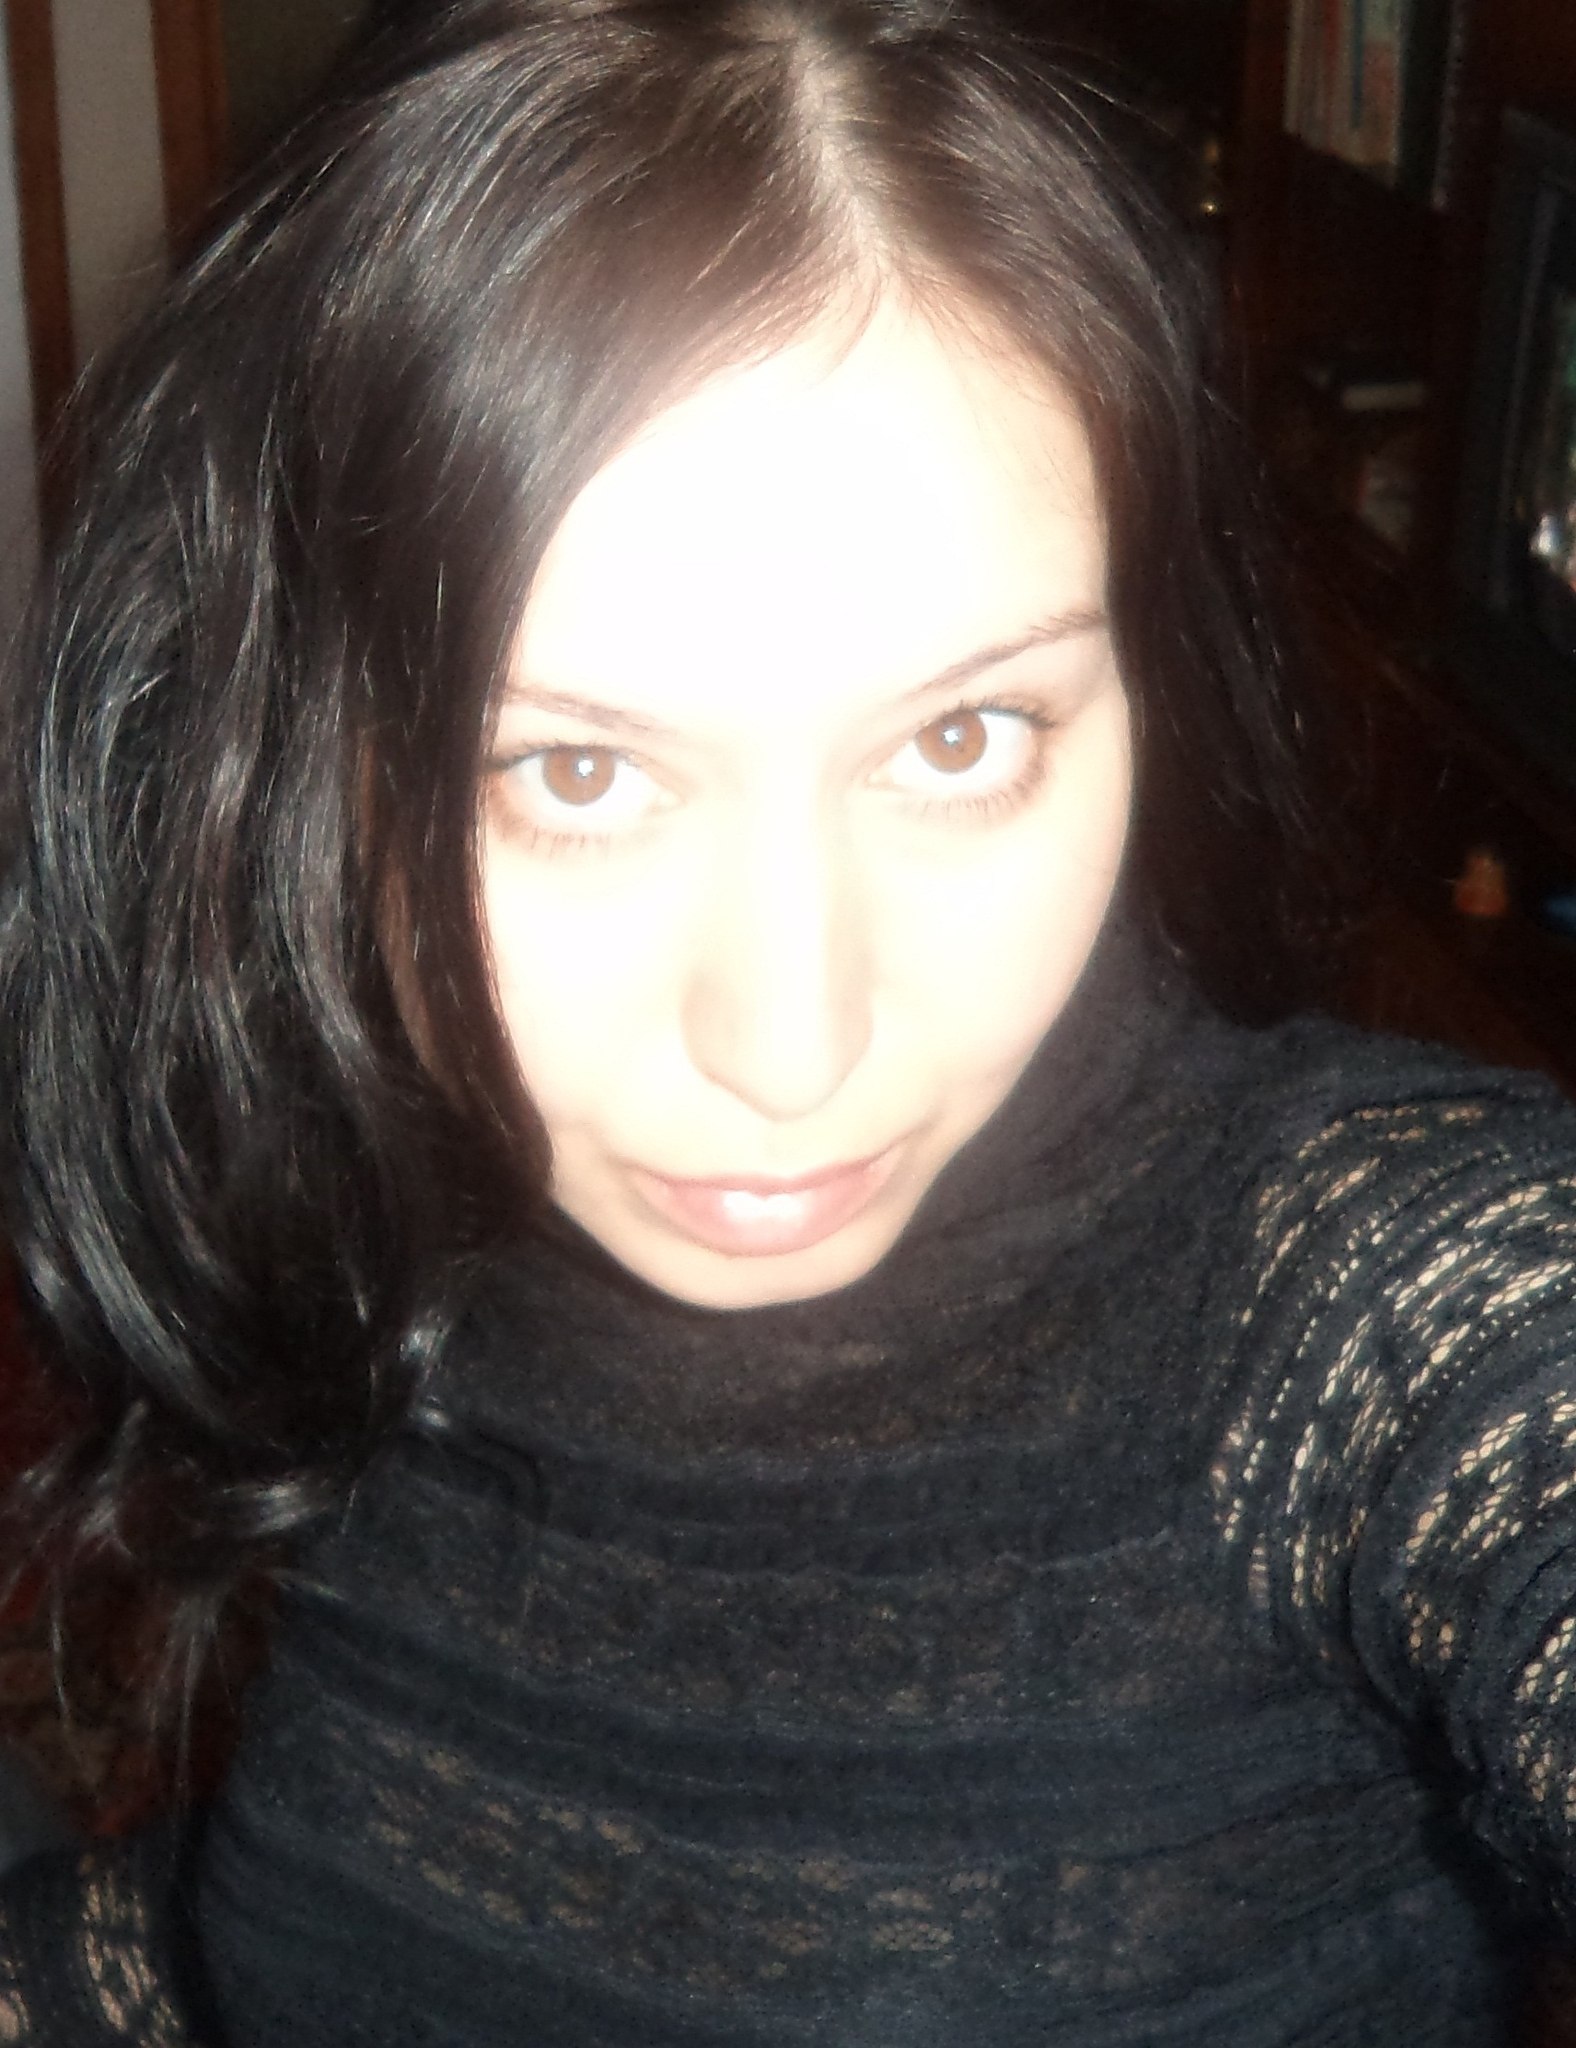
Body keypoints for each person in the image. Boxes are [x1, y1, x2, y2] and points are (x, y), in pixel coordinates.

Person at [0, 0, 1574, 2041]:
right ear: (305, 760)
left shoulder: (1378, 1313)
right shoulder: (411, 1200)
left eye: (958, 738)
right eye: (576, 774)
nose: (790, 1047)